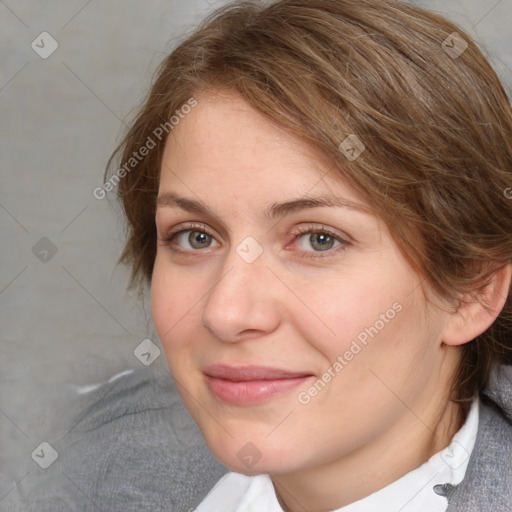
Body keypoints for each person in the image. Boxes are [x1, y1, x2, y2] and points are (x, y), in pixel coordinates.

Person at [106, 0, 512, 510]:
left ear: (474, 289)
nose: (226, 314)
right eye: (196, 237)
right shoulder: (96, 470)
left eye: (319, 239)